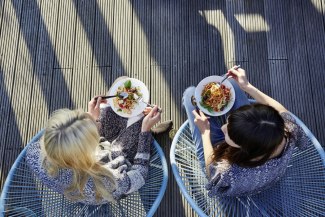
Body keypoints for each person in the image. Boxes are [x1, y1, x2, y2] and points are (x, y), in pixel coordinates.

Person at [26, 78, 168, 205]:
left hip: (85, 174)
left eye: (82, 116)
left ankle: (144, 131)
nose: (90, 116)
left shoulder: (33, 153)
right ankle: (150, 135)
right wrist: (144, 133)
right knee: (138, 120)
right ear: (90, 150)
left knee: (120, 85)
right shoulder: (110, 180)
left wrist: (91, 118)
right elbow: (140, 174)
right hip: (110, 178)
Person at [183, 66, 312, 197]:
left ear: (244, 148)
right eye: (228, 123)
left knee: (190, 94)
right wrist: (247, 86)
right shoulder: (289, 131)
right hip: (269, 176)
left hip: (235, 181)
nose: (223, 128)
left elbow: (212, 172)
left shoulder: (228, 170)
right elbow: (281, 111)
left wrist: (205, 132)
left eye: (229, 133)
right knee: (232, 83)